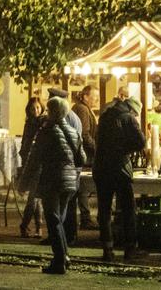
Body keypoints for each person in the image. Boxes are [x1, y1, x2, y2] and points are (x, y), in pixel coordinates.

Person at [23, 96, 86, 274]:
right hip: (70, 182)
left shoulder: (47, 130)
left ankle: (59, 261)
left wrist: (24, 183)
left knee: (53, 219)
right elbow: (82, 158)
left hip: (53, 180)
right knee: (59, 219)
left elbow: (34, 158)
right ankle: (64, 256)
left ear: (53, 112)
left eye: (48, 110)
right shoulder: (73, 131)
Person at [94, 96, 147, 262]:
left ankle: (107, 249)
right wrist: (125, 149)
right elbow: (141, 142)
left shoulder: (104, 116)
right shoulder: (128, 118)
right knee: (128, 209)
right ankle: (130, 248)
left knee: (104, 209)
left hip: (101, 167)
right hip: (119, 168)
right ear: (132, 110)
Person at [48, 86, 83, 244]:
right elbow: (81, 154)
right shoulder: (73, 119)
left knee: (57, 212)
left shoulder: (57, 125)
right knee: (66, 207)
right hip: (72, 171)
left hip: (60, 172)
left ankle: (62, 245)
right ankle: (67, 239)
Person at [18, 95, 46, 237]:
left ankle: (30, 226)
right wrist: (24, 159)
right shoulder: (29, 124)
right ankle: (32, 227)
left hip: (39, 163)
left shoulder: (43, 123)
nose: (35, 110)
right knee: (34, 197)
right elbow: (25, 143)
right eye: (33, 108)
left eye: (38, 107)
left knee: (35, 197)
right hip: (30, 163)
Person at [71, 86, 99, 228]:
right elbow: (85, 134)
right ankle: (85, 217)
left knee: (82, 186)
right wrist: (97, 149)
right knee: (83, 185)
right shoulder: (82, 109)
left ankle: (85, 217)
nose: (97, 99)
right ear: (86, 96)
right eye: (95, 96)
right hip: (85, 155)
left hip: (84, 154)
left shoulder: (85, 108)